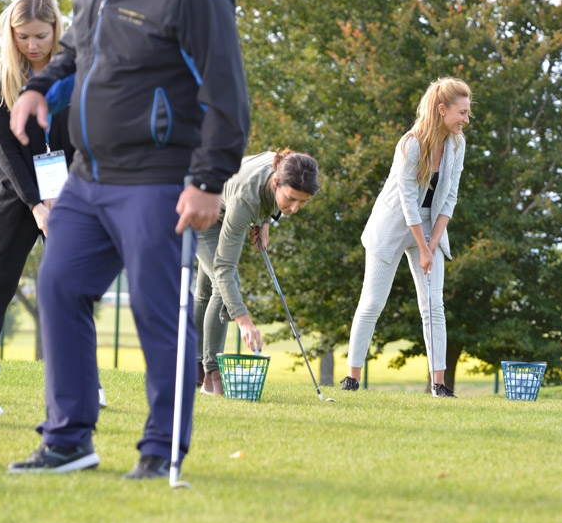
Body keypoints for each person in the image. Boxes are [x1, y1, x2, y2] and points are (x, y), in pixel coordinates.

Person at [5, 0, 250, 478]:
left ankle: (161, 450)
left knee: (156, 308)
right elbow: (74, 48)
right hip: (88, 177)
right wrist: (36, 86)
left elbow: (226, 88)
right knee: (59, 286)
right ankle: (69, 440)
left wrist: (208, 181)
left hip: (159, 175)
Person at [341, 78, 471, 397]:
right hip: (394, 224)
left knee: (433, 305)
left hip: (430, 226)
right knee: (372, 302)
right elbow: (407, 199)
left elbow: (450, 197)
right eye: (462, 113)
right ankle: (352, 378)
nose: (466, 120)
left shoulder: (457, 143)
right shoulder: (411, 144)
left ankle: (439, 384)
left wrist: (433, 243)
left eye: (468, 113)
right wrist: (423, 247)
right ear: (442, 110)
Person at [0, 0, 71, 362]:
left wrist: (64, 198)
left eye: (41, 36)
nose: (31, 44)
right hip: (14, 195)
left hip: (68, 193)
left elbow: (83, 139)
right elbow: (7, 152)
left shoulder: (76, 73)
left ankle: (83, 386)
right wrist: (37, 205)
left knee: (71, 293)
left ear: (56, 30)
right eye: (22, 35)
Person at [195, 149, 319, 397]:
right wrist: (244, 322)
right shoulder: (246, 200)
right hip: (201, 209)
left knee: (206, 291)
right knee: (222, 284)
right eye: (291, 198)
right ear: (276, 182)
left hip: (225, 205)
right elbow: (225, 267)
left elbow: (273, 200)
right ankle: (211, 376)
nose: (295, 208)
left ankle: (194, 369)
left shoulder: (286, 166)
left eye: (303, 202)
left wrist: (266, 221)